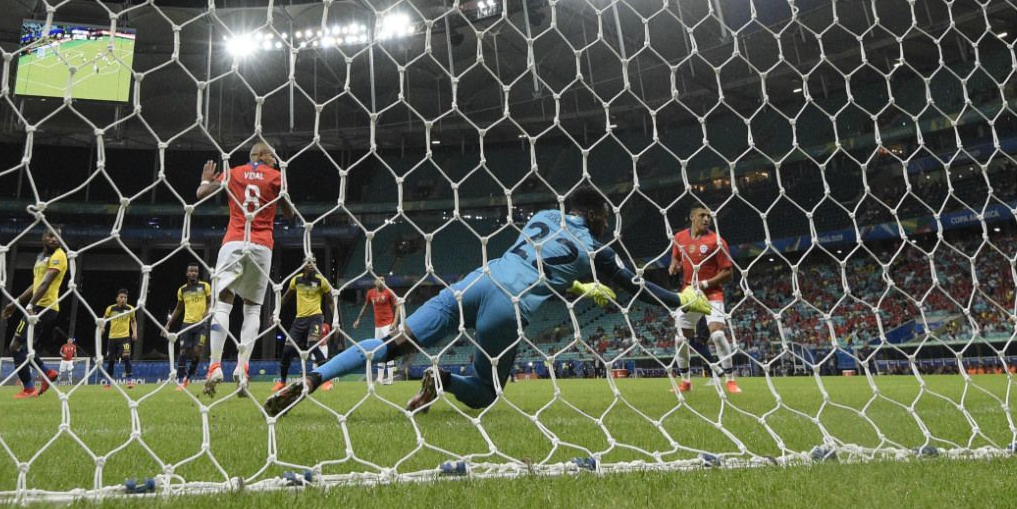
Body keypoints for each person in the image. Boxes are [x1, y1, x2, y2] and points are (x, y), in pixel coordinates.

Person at [266, 187, 708, 417]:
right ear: (596, 218)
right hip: (508, 306)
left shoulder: (541, 216)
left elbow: (540, 262)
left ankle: (311, 379)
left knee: (392, 344)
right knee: (485, 395)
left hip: (478, 280)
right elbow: (634, 286)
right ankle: (444, 381)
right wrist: (679, 299)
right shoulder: (597, 248)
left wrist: (575, 287)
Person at [193, 142, 292, 396]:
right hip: (261, 246)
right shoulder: (275, 177)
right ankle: (242, 368)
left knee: (223, 303)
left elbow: (201, 195)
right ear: (260, 154)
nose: (275, 158)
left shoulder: (234, 172)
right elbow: (289, 214)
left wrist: (205, 181)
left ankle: (215, 365)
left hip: (234, 241)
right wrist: (281, 195)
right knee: (252, 308)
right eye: (272, 154)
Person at [668, 204, 739, 394]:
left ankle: (730, 380)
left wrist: (705, 284)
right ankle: (685, 382)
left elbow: (728, 273)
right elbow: (675, 257)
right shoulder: (679, 238)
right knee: (680, 339)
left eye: (709, 216)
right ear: (692, 217)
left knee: (717, 334)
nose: (707, 218)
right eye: (702, 215)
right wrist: (673, 265)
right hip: (689, 293)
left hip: (712, 293)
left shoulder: (717, 241)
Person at [3, 229, 68, 399]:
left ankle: (29, 388)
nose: (55, 239)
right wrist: (15, 303)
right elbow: (36, 285)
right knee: (23, 347)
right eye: (51, 235)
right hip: (38, 307)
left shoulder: (59, 255)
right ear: (43, 237)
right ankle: (47, 373)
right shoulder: (41, 258)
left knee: (15, 346)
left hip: (44, 308)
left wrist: (30, 305)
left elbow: (46, 283)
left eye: (58, 236)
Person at [276, 258, 330, 389]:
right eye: (309, 262)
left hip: (315, 317)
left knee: (312, 345)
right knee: (287, 350)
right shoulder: (296, 280)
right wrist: (275, 311)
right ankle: (282, 382)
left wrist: (335, 319)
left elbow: (331, 301)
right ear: (303, 265)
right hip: (299, 319)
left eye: (315, 262)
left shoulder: (321, 281)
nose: (312, 264)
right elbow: (286, 297)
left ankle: (327, 380)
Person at [165, 265, 210, 388]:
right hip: (186, 324)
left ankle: (187, 378)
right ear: (187, 273)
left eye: (195, 271)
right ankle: (180, 379)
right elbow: (179, 308)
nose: (193, 273)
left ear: (198, 273)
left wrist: (207, 311)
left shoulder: (205, 286)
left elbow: (211, 301)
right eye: (191, 271)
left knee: (197, 352)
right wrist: (168, 325)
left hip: (201, 324)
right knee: (183, 351)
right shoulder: (182, 290)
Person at [363, 276, 400, 384]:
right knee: (380, 352)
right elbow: (366, 305)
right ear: (375, 281)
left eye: (384, 279)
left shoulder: (388, 292)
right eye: (380, 279)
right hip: (377, 327)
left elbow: (398, 306)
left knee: (389, 350)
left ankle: (390, 378)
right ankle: (379, 378)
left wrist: (394, 322)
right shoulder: (371, 293)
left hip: (388, 325)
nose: (382, 281)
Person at [101, 289, 137, 384]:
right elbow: (104, 319)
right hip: (112, 338)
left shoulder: (130, 309)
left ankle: (129, 380)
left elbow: (133, 321)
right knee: (111, 360)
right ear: (117, 298)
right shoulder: (110, 309)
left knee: (126, 357)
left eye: (125, 297)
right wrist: (102, 327)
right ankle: (108, 382)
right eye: (121, 297)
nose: (123, 299)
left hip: (125, 337)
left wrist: (134, 332)